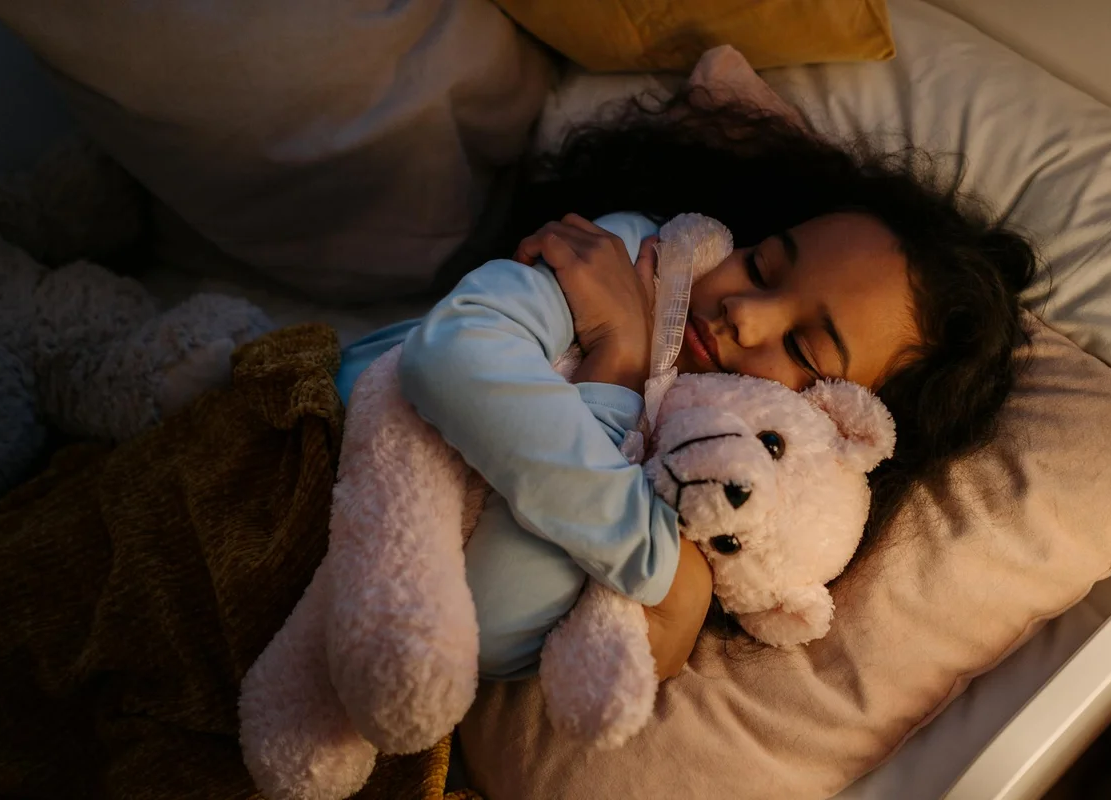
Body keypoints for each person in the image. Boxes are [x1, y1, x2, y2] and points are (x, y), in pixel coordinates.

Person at [333, 90, 1036, 682]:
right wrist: (621, 362)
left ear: (838, 426)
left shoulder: (718, 500)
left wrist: (676, 575)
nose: (746, 312)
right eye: (762, 266)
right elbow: (437, 362)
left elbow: (481, 625)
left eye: (801, 347)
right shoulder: (647, 264)